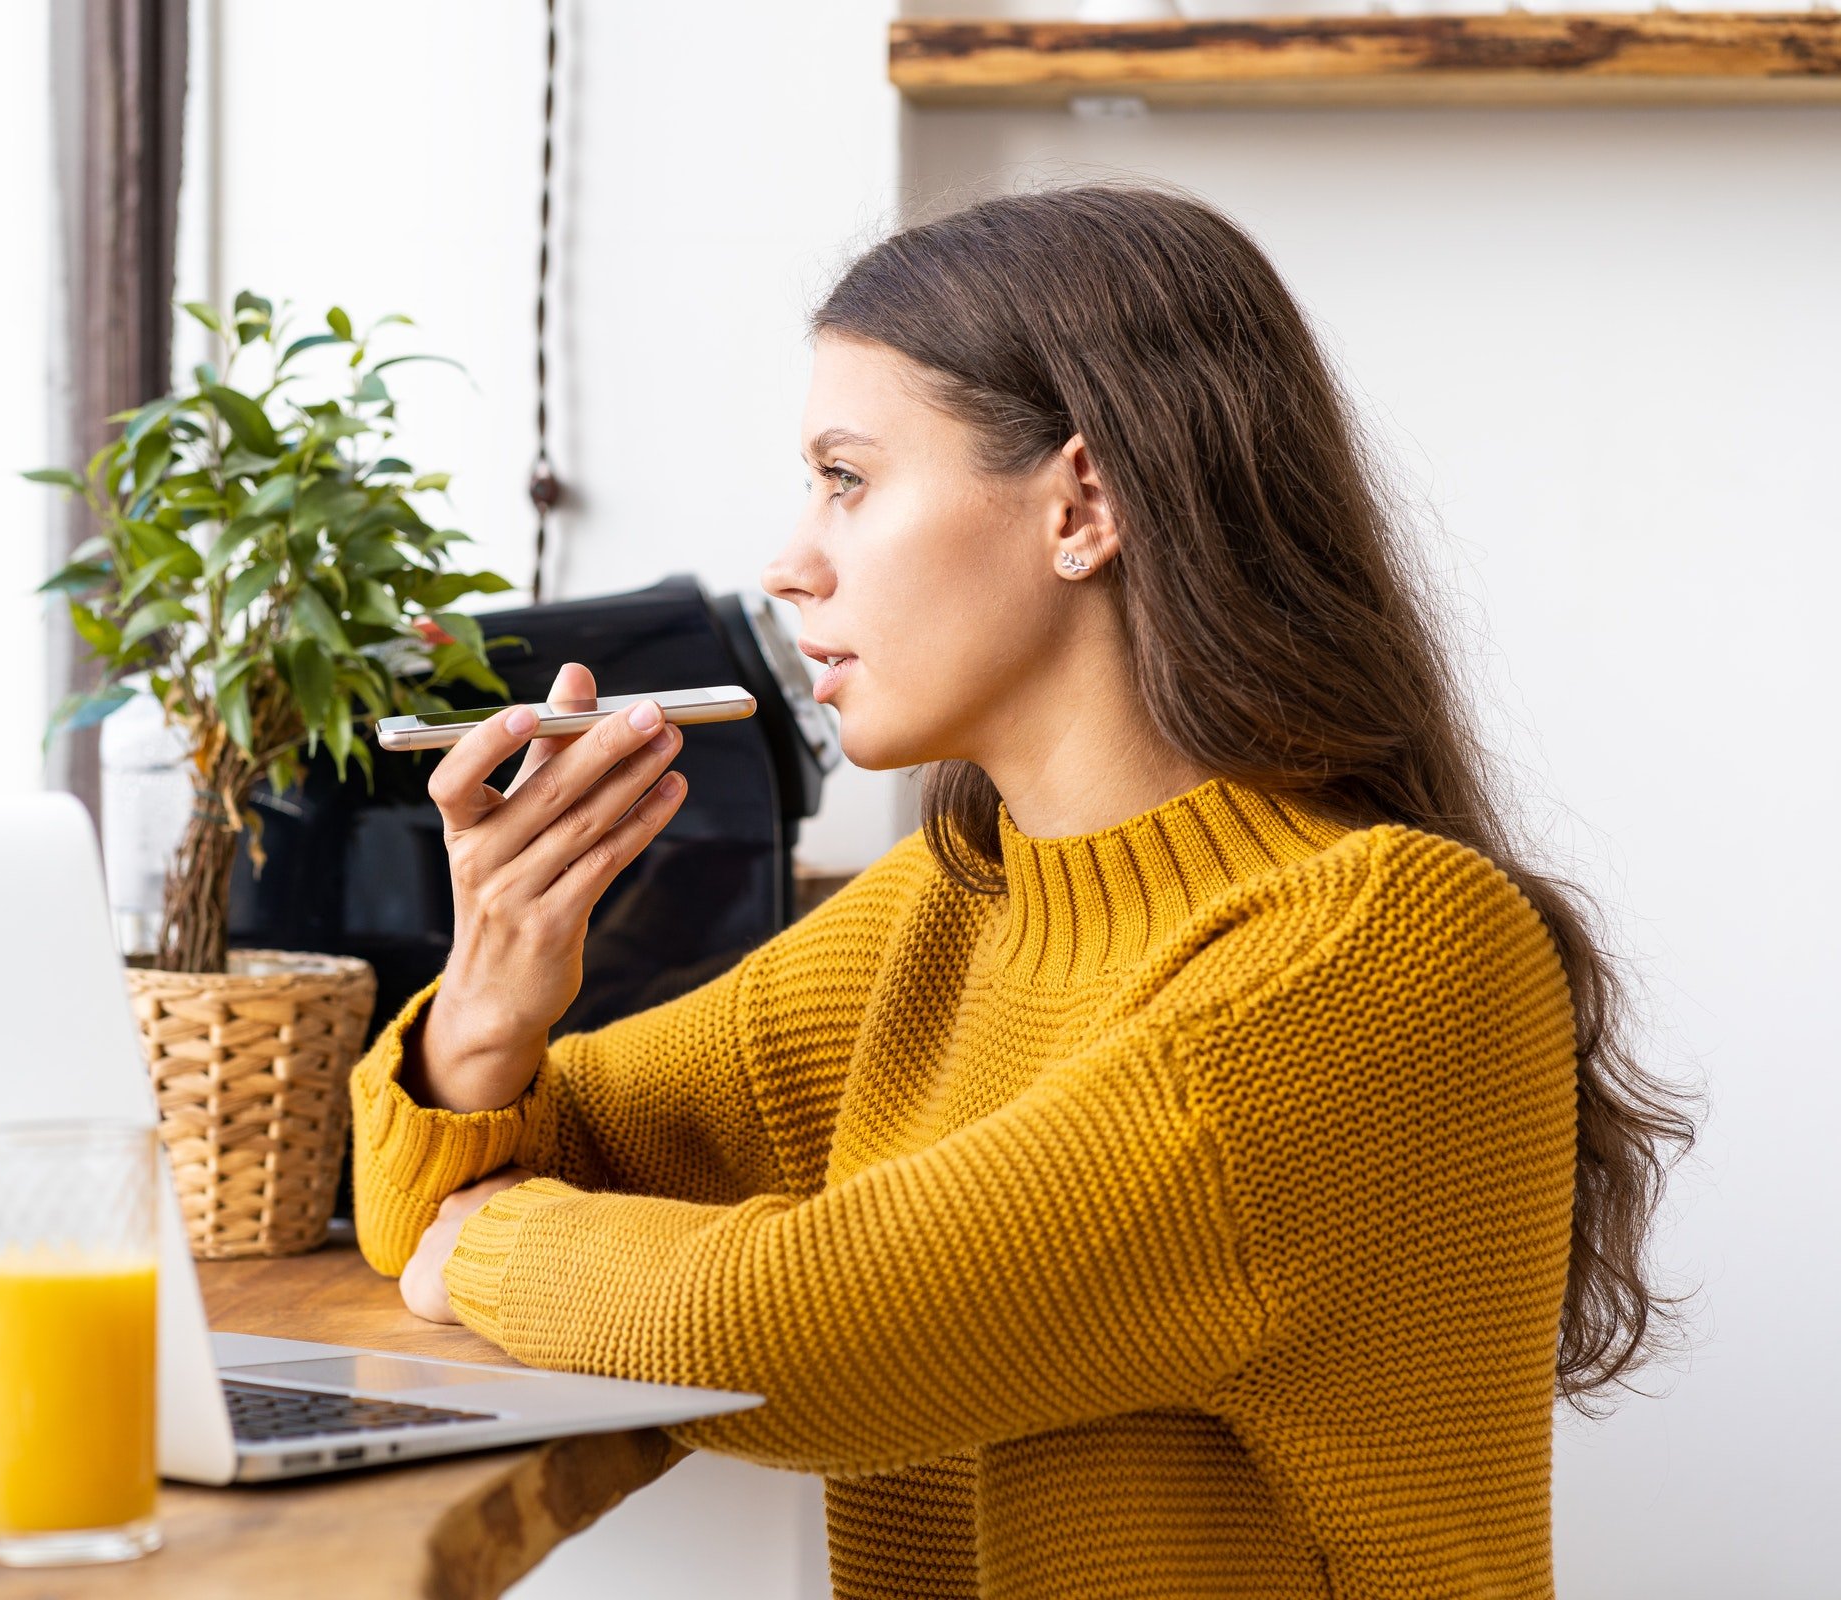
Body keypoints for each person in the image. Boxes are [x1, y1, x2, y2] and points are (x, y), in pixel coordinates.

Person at [348, 184, 1694, 1599]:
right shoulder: (951, 907)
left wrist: (489, 1249)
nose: (789, 563)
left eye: (847, 480)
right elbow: (424, 1214)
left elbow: (800, 1339)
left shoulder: (1393, 952)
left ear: (1082, 504)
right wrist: (492, 1003)